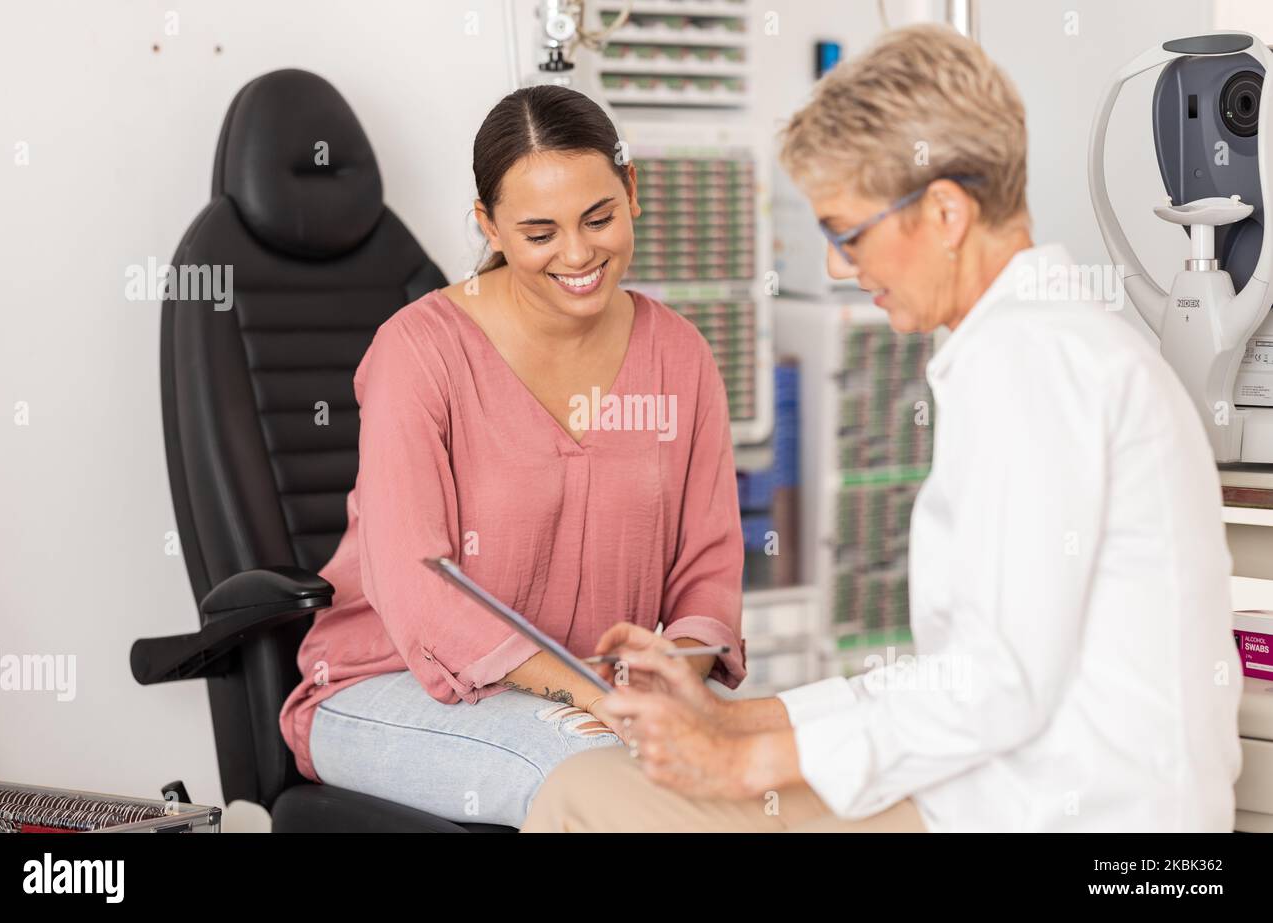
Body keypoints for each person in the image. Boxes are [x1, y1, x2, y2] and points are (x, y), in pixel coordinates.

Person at [522, 24, 1244, 833]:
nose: (836, 265)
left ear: (944, 212)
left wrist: (742, 760)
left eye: (847, 232)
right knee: (607, 785)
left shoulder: (1033, 365)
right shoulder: (1046, 343)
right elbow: (961, 674)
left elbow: (998, 683)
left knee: (582, 796)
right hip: (1006, 796)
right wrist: (739, 719)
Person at [278, 84, 747, 828]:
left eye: (599, 217)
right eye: (539, 232)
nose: (579, 252)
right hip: (393, 687)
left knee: (787, 758)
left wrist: (670, 684)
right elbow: (417, 582)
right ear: (489, 227)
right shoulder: (419, 351)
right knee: (607, 782)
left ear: (632, 190)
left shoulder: (680, 356)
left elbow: (707, 573)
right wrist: (593, 694)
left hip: (608, 693)